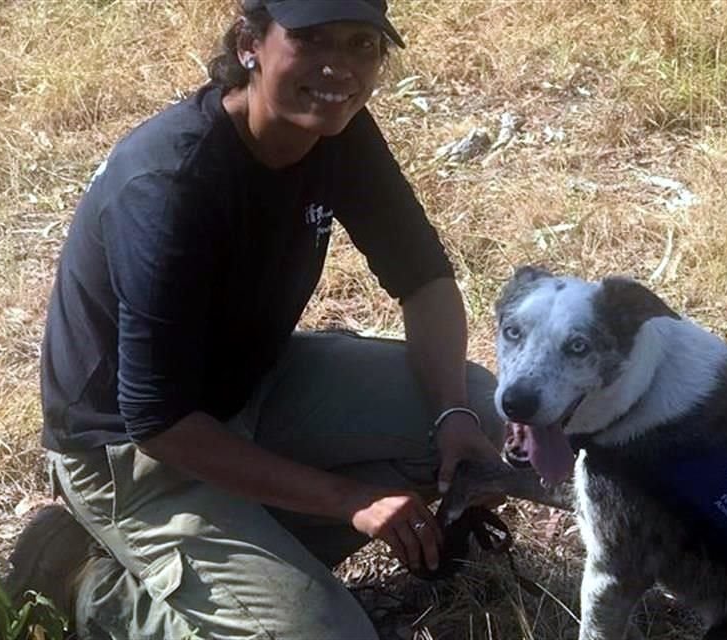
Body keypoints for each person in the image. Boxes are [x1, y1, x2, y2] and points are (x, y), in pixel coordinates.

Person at [31, 0, 505, 637]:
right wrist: (349, 499)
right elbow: (157, 421)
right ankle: (91, 585)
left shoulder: (337, 130)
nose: (338, 68)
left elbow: (424, 279)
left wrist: (453, 414)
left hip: (256, 383)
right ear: (250, 43)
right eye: (311, 41)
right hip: (130, 448)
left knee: (495, 420)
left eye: (362, 44)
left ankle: (253, 547)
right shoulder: (172, 186)